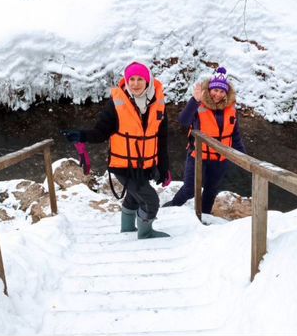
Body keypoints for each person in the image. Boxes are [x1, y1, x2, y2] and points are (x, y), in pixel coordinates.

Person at [62, 62, 171, 239]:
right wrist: (81, 135)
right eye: (131, 79)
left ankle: (127, 228)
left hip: (146, 166)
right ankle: (146, 233)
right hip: (124, 166)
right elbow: (101, 132)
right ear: (126, 81)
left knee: (135, 196)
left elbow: (162, 139)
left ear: (148, 81)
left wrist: (164, 168)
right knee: (151, 200)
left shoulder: (158, 104)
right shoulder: (116, 104)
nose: (135, 84)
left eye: (140, 79)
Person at [163, 67, 246, 214]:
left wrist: (243, 157)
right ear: (209, 90)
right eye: (215, 90)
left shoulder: (231, 109)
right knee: (189, 190)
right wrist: (194, 101)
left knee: (211, 190)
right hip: (198, 155)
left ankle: (205, 215)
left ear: (226, 93)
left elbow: (235, 134)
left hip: (220, 158)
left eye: (222, 91)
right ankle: (170, 208)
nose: (218, 94)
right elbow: (183, 121)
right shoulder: (199, 105)